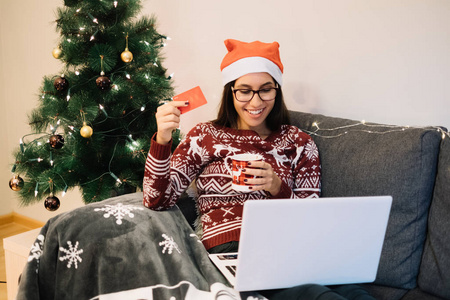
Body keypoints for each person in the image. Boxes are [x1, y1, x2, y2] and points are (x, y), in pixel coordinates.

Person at [143, 39, 375, 300]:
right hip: (233, 251)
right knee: (315, 294)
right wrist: (162, 138)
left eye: (266, 89)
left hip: (293, 246)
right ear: (231, 91)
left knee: (354, 291)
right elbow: (156, 199)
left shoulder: (299, 142)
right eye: (244, 90)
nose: (255, 101)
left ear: (277, 90)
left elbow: (310, 218)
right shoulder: (205, 135)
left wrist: (277, 187)